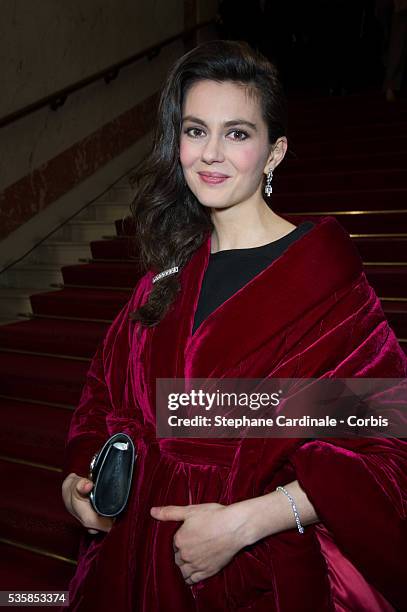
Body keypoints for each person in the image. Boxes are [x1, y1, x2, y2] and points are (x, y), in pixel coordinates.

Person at [61, 40, 407, 611]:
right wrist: (81, 480)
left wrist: (247, 523)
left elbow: (386, 444)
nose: (211, 154)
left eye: (238, 133)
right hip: (135, 562)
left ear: (274, 153)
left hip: (253, 573)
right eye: (195, 131)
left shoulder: (325, 284)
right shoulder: (165, 274)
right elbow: (102, 395)